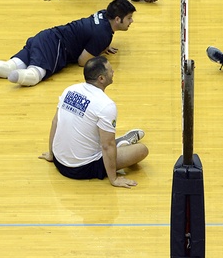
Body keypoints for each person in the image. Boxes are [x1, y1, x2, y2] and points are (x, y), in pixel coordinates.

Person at [38, 57, 149, 188]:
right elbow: (107, 145)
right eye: (110, 70)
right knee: (142, 150)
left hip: (58, 160)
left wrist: (51, 154)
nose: (113, 71)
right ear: (101, 79)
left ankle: (120, 144)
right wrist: (114, 179)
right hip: (82, 168)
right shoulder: (106, 105)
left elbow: (55, 122)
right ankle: (122, 144)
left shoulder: (70, 90)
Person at [0, 0, 136, 87]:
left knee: (11, 65)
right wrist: (100, 50)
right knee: (34, 75)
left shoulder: (104, 14)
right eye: (129, 18)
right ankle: (16, 75)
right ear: (117, 19)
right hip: (56, 47)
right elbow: (83, 61)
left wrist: (102, 44)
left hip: (43, 36)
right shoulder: (103, 34)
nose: (131, 21)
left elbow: (93, 32)